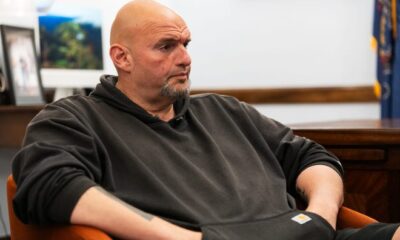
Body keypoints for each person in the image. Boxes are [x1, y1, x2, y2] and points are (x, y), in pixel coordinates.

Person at [11, 0, 400, 239]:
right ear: (121, 58)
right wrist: (179, 238)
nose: (185, 58)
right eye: (166, 46)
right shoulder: (74, 118)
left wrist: (320, 216)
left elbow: (312, 158)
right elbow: (49, 185)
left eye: (186, 44)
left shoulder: (224, 110)